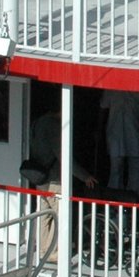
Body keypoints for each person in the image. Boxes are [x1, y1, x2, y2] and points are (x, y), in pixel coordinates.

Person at [27, 107, 97, 261]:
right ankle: (54, 252)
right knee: (60, 215)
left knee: (44, 215)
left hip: (40, 177)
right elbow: (63, 155)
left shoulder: (37, 122)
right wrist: (84, 176)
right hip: (54, 179)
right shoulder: (53, 126)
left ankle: (43, 249)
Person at [101, 90, 139, 196]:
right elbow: (103, 108)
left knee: (135, 174)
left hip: (134, 135)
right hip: (121, 136)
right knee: (117, 173)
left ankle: (132, 205)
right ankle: (115, 206)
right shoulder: (111, 87)